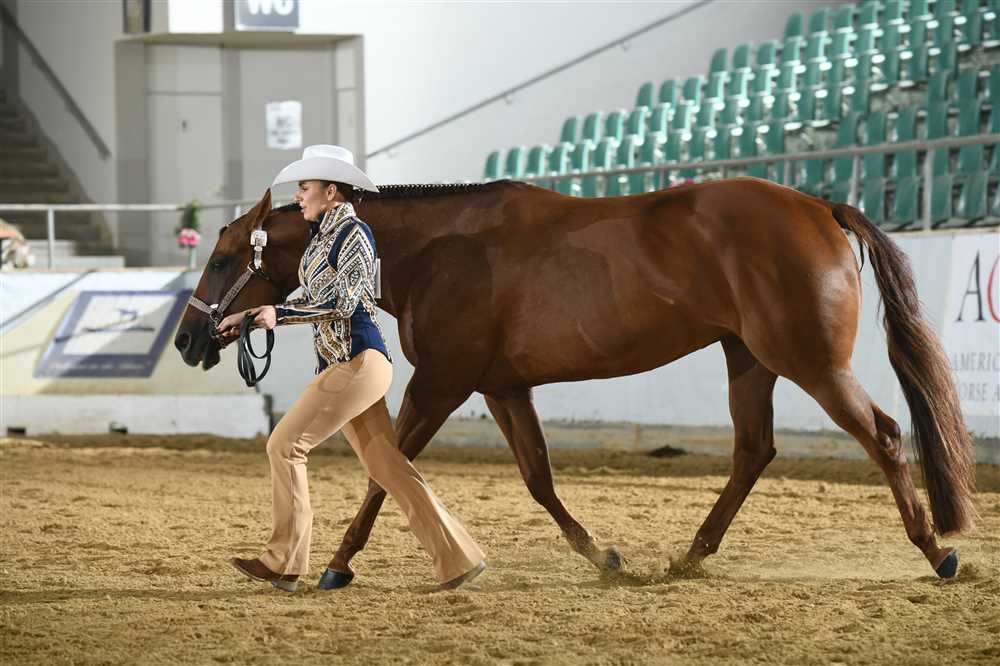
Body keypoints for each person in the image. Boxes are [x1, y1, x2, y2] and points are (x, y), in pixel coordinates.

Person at [216, 144, 486, 592]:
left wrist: (278, 315)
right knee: (388, 467)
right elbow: (312, 300)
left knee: (285, 446)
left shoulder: (354, 234)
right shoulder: (322, 239)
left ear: (331, 191)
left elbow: (343, 303)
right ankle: (458, 559)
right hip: (348, 363)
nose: (298, 196)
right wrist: (250, 315)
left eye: (305, 187)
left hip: (358, 362)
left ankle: (283, 561)